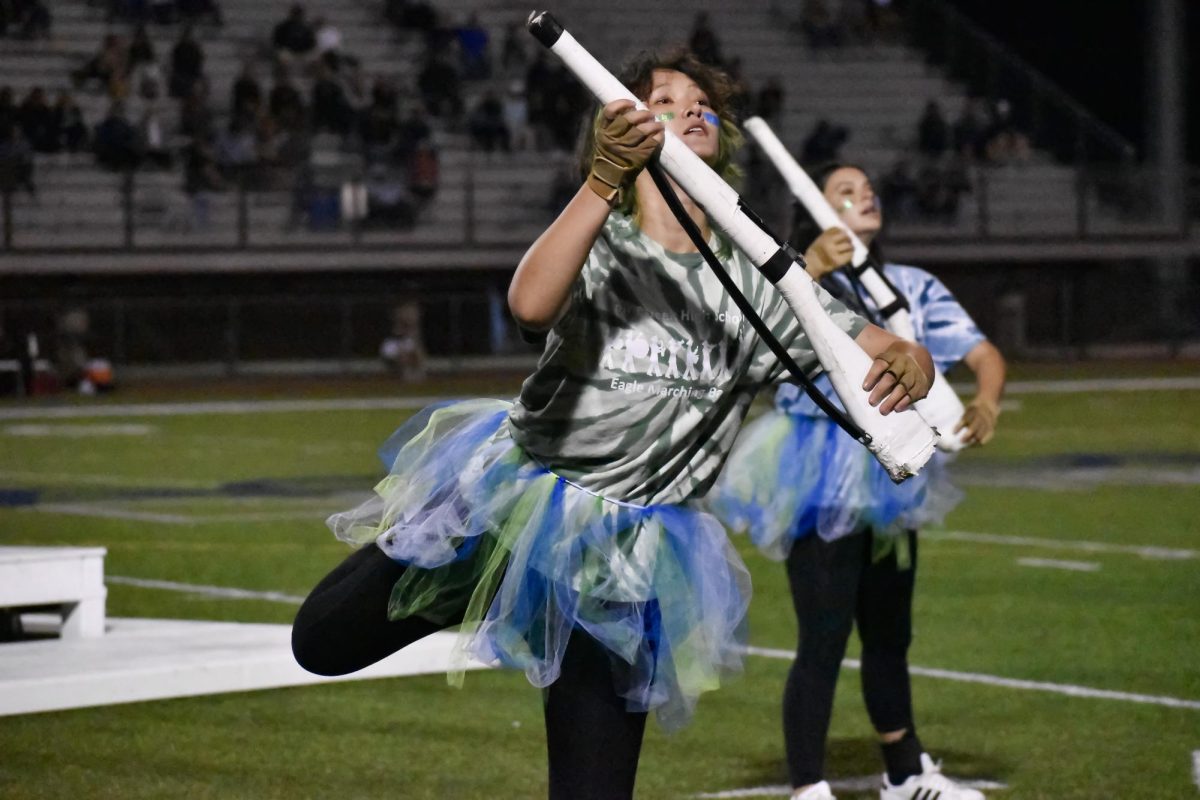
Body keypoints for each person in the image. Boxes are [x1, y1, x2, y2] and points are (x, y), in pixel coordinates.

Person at [290, 51, 934, 800]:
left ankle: (515, 610)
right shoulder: (603, 234)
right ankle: (488, 590)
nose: (692, 108)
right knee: (321, 642)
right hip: (516, 507)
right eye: (664, 98)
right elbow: (530, 305)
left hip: (626, 556)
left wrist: (909, 355)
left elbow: (871, 342)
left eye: (703, 103)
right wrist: (601, 181)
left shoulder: (762, 280)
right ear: (622, 122)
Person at [710, 162, 1006, 800]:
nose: (863, 196)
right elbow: (744, 351)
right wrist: (809, 263)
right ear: (814, 208)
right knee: (824, 635)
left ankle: (904, 772)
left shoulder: (910, 284)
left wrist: (986, 400)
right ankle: (808, 787)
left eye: (868, 190)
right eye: (845, 191)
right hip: (815, 469)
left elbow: (983, 352)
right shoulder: (786, 273)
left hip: (891, 472)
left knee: (890, 634)